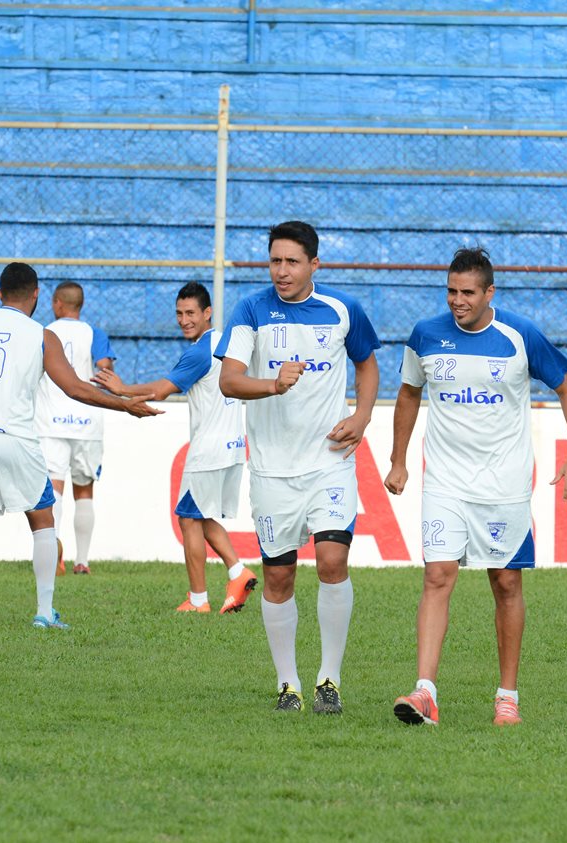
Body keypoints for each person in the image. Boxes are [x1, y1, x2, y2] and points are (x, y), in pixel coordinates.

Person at [385, 246, 567, 727]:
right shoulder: (426, 336)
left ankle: (507, 698)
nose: (458, 301)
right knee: (437, 576)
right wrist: (398, 460)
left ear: (489, 292)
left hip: (504, 484)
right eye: (452, 291)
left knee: (506, 582)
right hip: (446, 482)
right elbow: (409, 394)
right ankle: (425, 692)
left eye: (468, 293)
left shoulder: (519, 336)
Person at [0, 263, 159, 631]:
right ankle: (45, 612)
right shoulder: (41, 334)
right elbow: (75, 387)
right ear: (35, 295)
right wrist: (124, 404)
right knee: (43, 520)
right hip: (15, 437)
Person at [216, 220, 380, 715]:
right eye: (274, 261)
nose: (281, 271)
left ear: (314, 263)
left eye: (291, 261)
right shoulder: (250, 310)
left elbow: (367, 362)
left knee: (333, 562)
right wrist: (272, 384)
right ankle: (288, 685)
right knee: (279, 578)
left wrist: (363, 415)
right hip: (271, 470)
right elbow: (228, 381)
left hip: (328, 462)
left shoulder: (342, 310)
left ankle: (329, 679)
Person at [93, 281, 256, 614]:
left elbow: (161, 389)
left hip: (208, 448)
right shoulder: (225, 341)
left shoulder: (199, 351)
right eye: (179, 313)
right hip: (233, 445)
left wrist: (122, 389)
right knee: (201, 515)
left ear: (207, 313)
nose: (184, 320)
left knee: (187, 517)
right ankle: (238, 573)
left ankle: (198, 600)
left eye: (191, 313)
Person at [35, 281, 116, 575]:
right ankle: (82, 560)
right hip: (87, 421)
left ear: (57, 303)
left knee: (54, 487)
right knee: (84, 491)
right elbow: (105, 367)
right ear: (80, 305)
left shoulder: (44, 332)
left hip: (50, 422)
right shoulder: (94, 333)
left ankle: (53, 554)